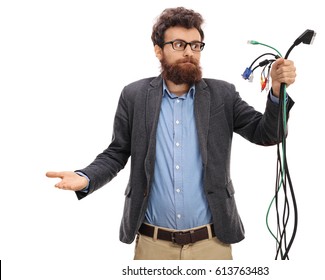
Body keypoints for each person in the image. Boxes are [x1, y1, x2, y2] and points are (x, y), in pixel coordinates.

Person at [46, 7, 296, 260]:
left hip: (212, 243)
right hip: (153, 244)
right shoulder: (134, 95)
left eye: (196, 45)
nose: (189, 51)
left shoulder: (223, 95)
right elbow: (117, 152)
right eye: (179, 44)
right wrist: (86, 177)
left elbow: (266, 133)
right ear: (158, 50)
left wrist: (276, 91)